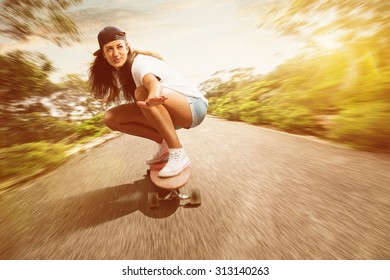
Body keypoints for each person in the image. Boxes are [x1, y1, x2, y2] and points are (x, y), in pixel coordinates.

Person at [88, 26, 208, 177]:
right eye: (109, 49)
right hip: (172, 112)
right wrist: (111, 95)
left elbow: (152, 82)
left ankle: (178, 153)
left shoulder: (140, 63)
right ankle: (164, 145)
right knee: (110, 118)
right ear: (104, 55)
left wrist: (152, 96)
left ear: (127, 47)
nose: (115, 53)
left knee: (141, 93)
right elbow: (120, 88)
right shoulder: (122, 71)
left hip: (194, 108)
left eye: (119, 47)